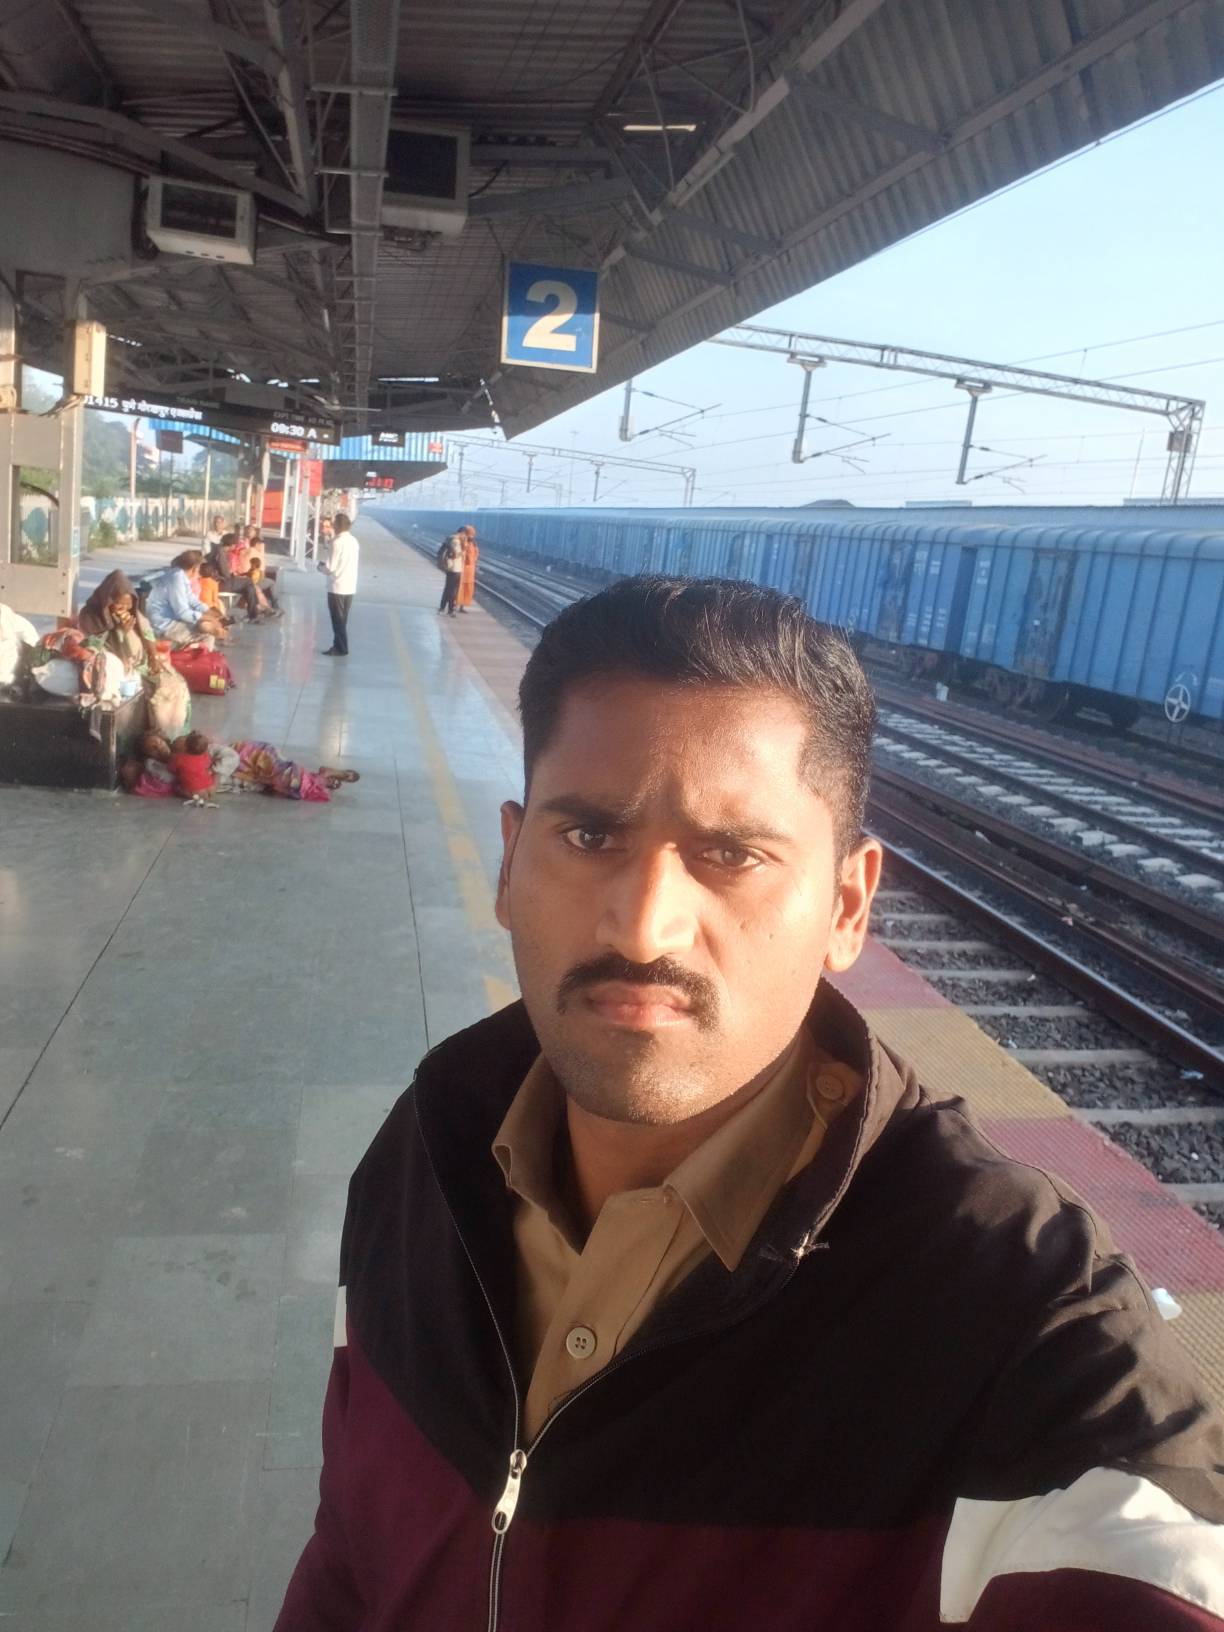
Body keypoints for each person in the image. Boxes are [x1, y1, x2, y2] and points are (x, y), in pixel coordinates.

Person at [278, 576, 1224, 1632]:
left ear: (848, 906)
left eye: (731, 855)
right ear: (507, 863)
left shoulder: (1022, 1333)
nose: (644, 926)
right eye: (588, 838)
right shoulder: (422, 1159)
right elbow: (350, 1557)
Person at [77, 570, 163, 671]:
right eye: (119, 604)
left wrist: (153, 655)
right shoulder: (91, 616)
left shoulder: (134, 614)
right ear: (108, 601)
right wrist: (120, 632)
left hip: (136, 663)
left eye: (128, 604)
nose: (124, 608)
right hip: (108, 665)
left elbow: (147, 632)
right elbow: (94, 645)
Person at [143, 551, 226, 647]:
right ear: (194, 568)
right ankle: (202, 656)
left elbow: (192, 600)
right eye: (199, 567)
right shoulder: (176, 579)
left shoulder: (180, 576)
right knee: (208, 634)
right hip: (164, 626)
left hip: (172, 620)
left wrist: (211, 612)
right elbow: (182, 613)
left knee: (208, 625)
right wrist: (210, 619)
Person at [319, 511, 358, 656]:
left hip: (337, 586)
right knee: (343, 619)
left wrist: (320, 567)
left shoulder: (336, 542)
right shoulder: (354, 541)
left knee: (337, 620)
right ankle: (338, 645)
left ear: (336, 526)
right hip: (350, 586)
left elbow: (330, 567)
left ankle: (341, 648)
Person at [168, 729, 216, 799]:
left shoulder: (179, 758)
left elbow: (171, 769)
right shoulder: (206, 756)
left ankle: (190, 795)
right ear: (206, 749)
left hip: (195, 792)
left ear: (185, 746)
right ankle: (207, 794)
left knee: (176, 788)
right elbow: (208, 765)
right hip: (211, 787)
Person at [437, 526, 466, 616]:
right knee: (452, 590)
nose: (464, 537)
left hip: (451, 568)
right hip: (455, 568)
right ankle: (450, 610)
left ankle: (442, 608)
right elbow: (455, 555)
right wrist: (463, 552)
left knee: (448, 589)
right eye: (464, 535)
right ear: (462, 533)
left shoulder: (451, 539)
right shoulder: (456, 541)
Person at [455, 524, 480, 612]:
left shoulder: (473, 544)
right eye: (470, 535)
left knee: (465, 589)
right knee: (460, 588)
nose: (471, 537)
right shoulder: (463, 542)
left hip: (468, 571)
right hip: (463, 570)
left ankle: (461, 606)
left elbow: (474, 556)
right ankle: (455, 605)